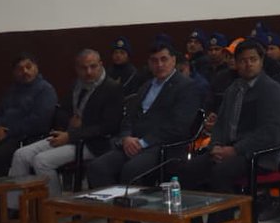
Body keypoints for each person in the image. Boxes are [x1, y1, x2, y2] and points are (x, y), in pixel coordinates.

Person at [179, 39, 280, 222]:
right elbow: (221, 125)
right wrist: (215, 147)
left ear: (261, 61)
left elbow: (270, 133)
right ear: (236, 64)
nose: (248, 64)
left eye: (253, 59)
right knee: (188, 169)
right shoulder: (233, 89)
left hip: (258, 155)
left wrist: (235, 150)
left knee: (220, 172)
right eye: (243, 60)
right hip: (229, 149)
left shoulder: (271, 90)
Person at [85, 42, 199, 195]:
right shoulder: (146, 86)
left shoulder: (186, 87)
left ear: (173, 60)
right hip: (133, 143)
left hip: (163, 146)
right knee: (97, 167)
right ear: (149, 63)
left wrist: (143, 142)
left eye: (163, 59)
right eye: (154, 60)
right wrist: (126, 137)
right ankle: (117, 214)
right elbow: (128, 117)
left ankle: (132, 216)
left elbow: (178, 126)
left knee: (131, 170)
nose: (159, 64)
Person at [7, 49, 123, 197]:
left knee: (42, 161)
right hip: (68, 135)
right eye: (83, 68)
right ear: (76, 69)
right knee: (21, 155)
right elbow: (61, 110)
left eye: (93, 66)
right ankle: (15, 208)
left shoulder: (111, 88)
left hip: (94, 144)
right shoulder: (76, 85)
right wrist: (68, 122)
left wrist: (73, 133)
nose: (88, 72)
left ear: (100, 65)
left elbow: (109, 126)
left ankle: (55, 207)